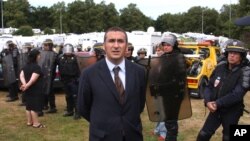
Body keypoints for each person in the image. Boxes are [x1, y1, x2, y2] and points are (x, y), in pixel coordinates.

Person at [77, 27, 146, 141]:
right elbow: (83, 107)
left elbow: (140, 104)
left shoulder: (139, 72)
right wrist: (104, 122)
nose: (116, 45)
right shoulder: (89, 74)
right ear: (104, 46)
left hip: (132, 135)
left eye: (120, 41)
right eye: (111, 41)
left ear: (126, 46)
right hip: (102, 136)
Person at [196, 39, 248, 141]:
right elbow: (209, 86)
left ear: (241, 56)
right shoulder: (220, 67)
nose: (232, 55)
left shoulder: (245, 72)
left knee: (228, 137)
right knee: (203, 135)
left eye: (236, 53)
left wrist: (217, 103)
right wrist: (207, 101)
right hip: (215, 109)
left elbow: (237, 94)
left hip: (232, 111)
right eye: (230, 52)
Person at [161, 34, 184, 141]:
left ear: (174, 45)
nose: (165, 47)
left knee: (171, 121)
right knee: (167, 120)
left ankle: (171, 139)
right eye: (164, 45)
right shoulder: (164, 57)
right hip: (165, 92)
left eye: (168, 45)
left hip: (175, 94)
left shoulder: (178, 58)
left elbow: (178, 79)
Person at [19, 49, 45, 128]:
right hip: (35, 89)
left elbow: (21, 75)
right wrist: (26, 85)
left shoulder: (25, 66)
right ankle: (36, 124)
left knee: (28, 106)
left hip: (28, 90)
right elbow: (33, 80)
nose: (40, 56)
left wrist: (24, 85)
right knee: (34, 106)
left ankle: (29, 122)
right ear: (36, 56)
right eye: (39, 55)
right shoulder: (36, 67)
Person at [57, 43, 80, 119]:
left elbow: (79, 69)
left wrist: (78, 79)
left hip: (73, 80)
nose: (68, 51)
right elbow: (59, 68)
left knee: (75, 96)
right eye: (66, 49)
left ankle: (77, 112)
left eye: (69, 49)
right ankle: (69, 110)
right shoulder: (61, 58)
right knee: (68, 96)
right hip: (65, 80)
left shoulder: (75, 58)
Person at [151, 44, 167, 141]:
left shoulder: (167, 62)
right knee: (158, 111)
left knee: (164, 112)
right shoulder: (155, 61)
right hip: (156, 89)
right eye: (157, 50)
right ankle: (157, 129)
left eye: (160, 49)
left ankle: (163, 133)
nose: (158, 51)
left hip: (164, 90)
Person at [38, 39, 58, 114]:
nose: (44, 46)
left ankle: (53, 107)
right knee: (43, 90)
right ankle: (45, 105)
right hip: (43, 74)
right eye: (44, 45)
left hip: (50, 75)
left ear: (50, 46)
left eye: (46, 45)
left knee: (50, 91)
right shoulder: (41, 53)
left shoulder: (54, 54)